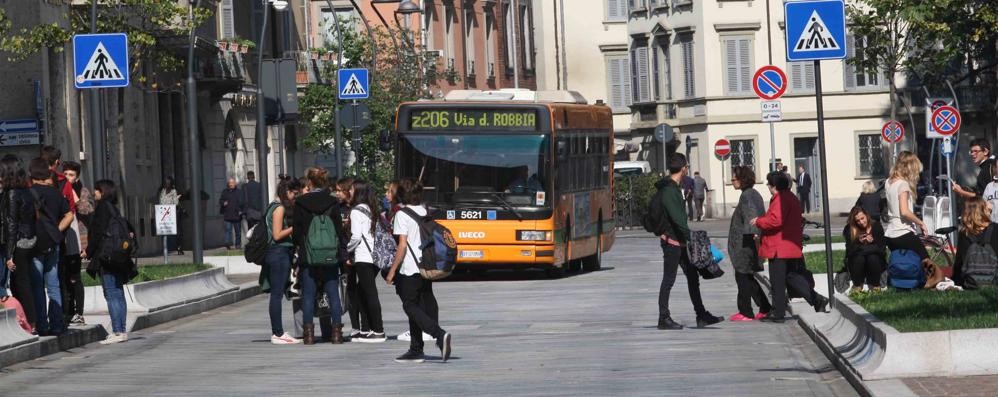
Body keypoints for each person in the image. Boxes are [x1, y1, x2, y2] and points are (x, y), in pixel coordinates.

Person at [653, 154, 723, 330]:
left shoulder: (675, 188)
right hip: (672, 243)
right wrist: (692, 236)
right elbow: (677, 219)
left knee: (693, 278)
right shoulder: (669, 191)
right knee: (668, 280)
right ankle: (663, 318)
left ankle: (702, 315)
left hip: (681, 242)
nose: (688, 170)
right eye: (687, 167)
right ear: (683, 168)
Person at [387, 178, 452, 363]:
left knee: (410, 305)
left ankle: (439, 335)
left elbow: (402, 246)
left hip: (409, 268)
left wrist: (392, 271)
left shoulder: (402, 215)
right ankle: (416, 349)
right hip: (426, 265)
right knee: (417, 304)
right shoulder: (424, 210)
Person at [751, 171, 828, 323]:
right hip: (790, 246)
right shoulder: (791, 197)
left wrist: (759, 221)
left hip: (779, 247)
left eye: (768, 183)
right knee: (792, 278)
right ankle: (817, 299)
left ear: (774, 185)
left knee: (778, 282)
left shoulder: (780, 199)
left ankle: (778, 313)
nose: (767, 186)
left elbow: (775, 220)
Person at [293, 167, 348, 345]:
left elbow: (297, 231)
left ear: (309, 182)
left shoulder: (300, 202)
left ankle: (308, 335)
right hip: (330, 254)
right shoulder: (332, 202)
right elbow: (339, 230)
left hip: (308, 255)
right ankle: (337, 333)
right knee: (333, 292)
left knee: (308, 294)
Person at [29, 158, 73, 336]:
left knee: (37, 285)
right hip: (53, 243)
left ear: (32, 174)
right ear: (47, 174)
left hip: (35, 244)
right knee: (53, 284)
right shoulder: (56, 193)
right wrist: (56, 230)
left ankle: (42, 324)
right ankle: (56, 323)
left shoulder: (29, 193)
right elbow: (69, 215)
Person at [83, 180, 131, 344]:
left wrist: (88, 251)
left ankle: (117, 331)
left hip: (107, 256)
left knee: (111, 294)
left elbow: (97, 233)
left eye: (96, 190)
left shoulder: (102, 208)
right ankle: (122, 330)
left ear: (102, 192)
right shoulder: (114, 209)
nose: (94, 193)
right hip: (118, 256)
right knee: (118, 293)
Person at [727, 166, 772, 322]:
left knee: (743, 276)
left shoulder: (747, 196)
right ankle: (764, 307)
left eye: (734, 178)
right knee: (747, 276)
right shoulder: (752, 194)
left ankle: (746, 312)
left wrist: (754, 236)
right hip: (748, 242)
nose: (732, 181)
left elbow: (752, 217)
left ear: (742, 179)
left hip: (746, 243)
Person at [346, 180, 386, 343]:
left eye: (351, 189)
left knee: (369, 293)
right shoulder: (371, 209)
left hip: (363, 256)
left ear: (358, 192)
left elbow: (356, 236)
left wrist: (347, 249)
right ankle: (368, 328)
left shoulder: (356, 211)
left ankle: (378, 330)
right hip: (374, 256)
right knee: (365, 292)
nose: (349, 191)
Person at [1, 157, 38, 333]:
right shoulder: (26, 191)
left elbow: (11, 224)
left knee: (20, 285)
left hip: (19, 244)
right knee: (25, 283)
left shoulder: (12, 193)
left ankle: (29, 323)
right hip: (30, 241)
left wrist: (9, 255)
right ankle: (31, 322)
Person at [264, 178, 302, 345]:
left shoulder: (272, 206)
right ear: (287, 192)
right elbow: (277, 235)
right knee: (277, 294)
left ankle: (277, 332)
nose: (295, 197)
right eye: (294, 193)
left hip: (275, 253)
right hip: (278, 253)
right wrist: (295, 227)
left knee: (277, 294)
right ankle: (278, 332)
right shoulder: (279, 209)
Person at [883, 151, 930, 260]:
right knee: (927, 264)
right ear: (909, 167)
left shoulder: (888, 182)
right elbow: (904, 211)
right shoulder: (902, 184)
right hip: (903, 232)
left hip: (891, 233)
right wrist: (920, 223)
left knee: (904, 267)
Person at [59, 161, 88, 326]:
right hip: (62, 238)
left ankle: (79, 312)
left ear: (77, 178)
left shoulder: (81, 191)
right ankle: (68, 310)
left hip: (77, 239)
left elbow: (86, 213)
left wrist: (85, 246)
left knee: (75, 277)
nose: (68, 178)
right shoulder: (60, 189)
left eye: (71, 175)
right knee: (64, 277)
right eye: (66, 174)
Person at [334, 177, 362, 339]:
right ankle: (355, 325)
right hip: (345, 254)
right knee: (349, 289)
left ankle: (366, 324)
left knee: (362, 289)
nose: (337, 193)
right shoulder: (338, 208)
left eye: (339, 190)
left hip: (361, 253)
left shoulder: (359, 208)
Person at [952, 196, 998, 287]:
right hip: (994, 279)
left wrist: (955, 280)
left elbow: (959, 262)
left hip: (970, 281)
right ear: (983, 210)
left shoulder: (964, 233)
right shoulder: (996, 229)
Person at [843, 206, 887, 293]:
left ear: (867, 215)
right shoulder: (849, 229)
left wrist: (872, 242)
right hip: (856, 263)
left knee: (872, 257)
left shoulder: (876, 226)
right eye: (858, 221)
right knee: (859, 258)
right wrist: (858, 241)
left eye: (862, 218)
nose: (861, 222)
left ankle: (875, 287)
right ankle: (857, 286)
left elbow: (881, 249)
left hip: (875, 262)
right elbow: (849, 251)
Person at [39, 146, 76, 214]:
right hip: (60, 221)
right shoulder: (63, 181)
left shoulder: (33, 179)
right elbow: (71, 209)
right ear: (57, 161)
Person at [159, 176, 183, 255]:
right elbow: (160, 201)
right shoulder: (162, 191)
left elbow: (175, 203)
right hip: (163, 214)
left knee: (177, 231)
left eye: (169, 183)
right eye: (166, 183)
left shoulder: (173, 191)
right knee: (164, 231)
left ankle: (179, 247)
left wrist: (173, 201)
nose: (167, 185)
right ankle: (166, 247)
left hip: (172, 213)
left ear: (171, 184)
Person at [219, 178, 244, 250]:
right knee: (228, 230)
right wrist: (223, 203)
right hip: (228, 214)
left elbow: (242, 202)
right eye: (230, 183)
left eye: (232, 183)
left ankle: (238, 245)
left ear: (235, 183)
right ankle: (227, 243)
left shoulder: (239, 192)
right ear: (228, 184)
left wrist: (241, 211)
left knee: (238, 232)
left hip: (237, 215)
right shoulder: (225, 192)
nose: (231, 184)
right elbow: (221, 200)